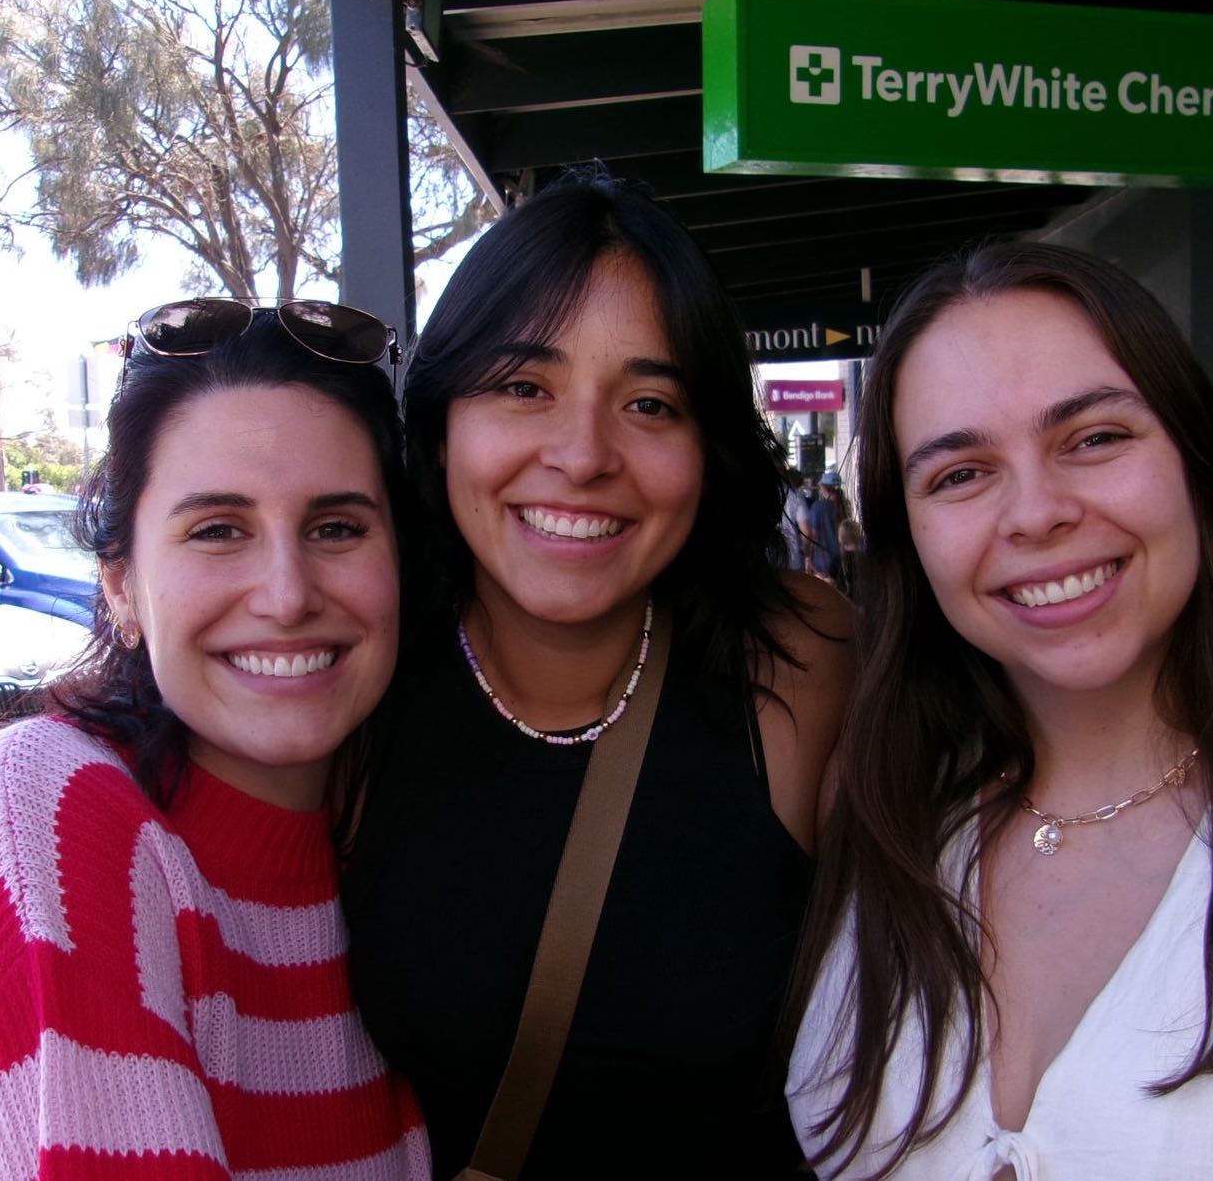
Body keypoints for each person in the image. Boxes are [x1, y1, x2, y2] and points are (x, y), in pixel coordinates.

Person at [342, 176, 854, 1179]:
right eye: (524, 387)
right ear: (442, 420)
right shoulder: (352, 683)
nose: (582, 456)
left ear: (709, 450)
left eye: (650, 403)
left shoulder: (801, 667)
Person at [787, 242, 1213, 1179]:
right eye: (960, 473)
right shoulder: (877, 811)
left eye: (1094, 437)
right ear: (909, 541)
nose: (1036, 512)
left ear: (1196, 461)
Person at [0, 304, 430, 1177]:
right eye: (218, 530)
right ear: (120, 588)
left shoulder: (420, 855)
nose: (286, 594)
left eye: (337, 528)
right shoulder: (50, 802)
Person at [806, 469, 844, 581]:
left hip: (822, 563)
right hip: (842, 560)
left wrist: (808, 558)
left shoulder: (818, 507)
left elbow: (812, 535)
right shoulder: (844, 505)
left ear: (823, 487)